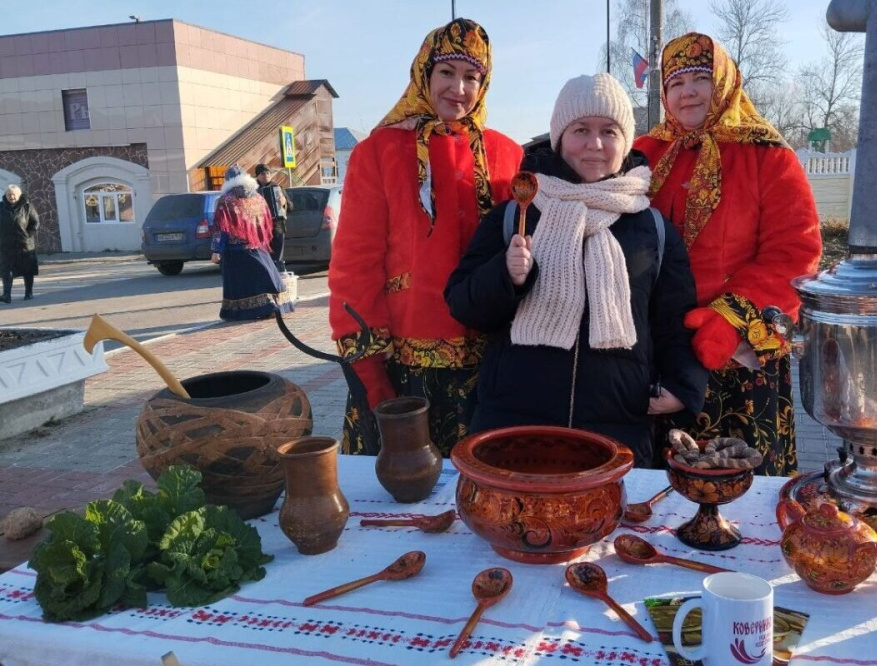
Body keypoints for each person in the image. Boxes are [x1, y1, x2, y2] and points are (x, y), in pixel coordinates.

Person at [445, 73, 708, 468]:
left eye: (609, 131)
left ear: (626, 141)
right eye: (580, 129)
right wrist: (508, 277)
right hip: (513, 432)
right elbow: (463, 305)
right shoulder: (513, 215)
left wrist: (683, 386)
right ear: (559, 137)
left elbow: (675, 321)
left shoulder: (652, 227)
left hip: (617, 432)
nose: (595, 144)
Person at [327, 18, 523, 457]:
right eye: (447, 73)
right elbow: (356, 261)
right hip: (404, 364)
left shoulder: (507, 155)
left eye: (472, 77)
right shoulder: (378, 152)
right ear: (424, 74)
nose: (459, 88)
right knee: (401, 497)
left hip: (489, 363)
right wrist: (370, 371)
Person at [634, 33, 822, 475]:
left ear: (724, 80)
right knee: (660, 485)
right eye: (677, 82)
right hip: (660, 350)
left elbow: (795, 251)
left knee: (737, 485)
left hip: (737, 355)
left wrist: (731, 318)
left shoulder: (767, 155)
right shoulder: (643, 153)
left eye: (701, 78)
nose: (688, 92)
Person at [211, 166, 294, 321]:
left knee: (240, 284)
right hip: (258, 246)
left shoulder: (226, 200)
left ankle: (243, 312)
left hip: (234, 250)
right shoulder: (257, 197)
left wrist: (217, 250)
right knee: (264, 277)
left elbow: (221, 227)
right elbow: (267, 220)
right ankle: (274, 305)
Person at [0, 184, 40, 303]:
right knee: (6, 270)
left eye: (13, 195)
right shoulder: (1, 207)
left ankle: (29, 293)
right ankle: (7, 295)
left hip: (24, 245)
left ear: (18, 195)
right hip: (6, 245)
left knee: (27, 269)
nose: (11, 197)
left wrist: (28, 235)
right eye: (9, 195)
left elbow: (35, 223)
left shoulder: (27, 207)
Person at [254, 164, 288, 272]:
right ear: (257, 176)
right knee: (265, 253)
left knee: (278, 254)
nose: (266, 176)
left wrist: (284, 202)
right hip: (261, 226)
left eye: (268, 173)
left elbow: (290, 206)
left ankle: (279, 271)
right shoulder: (253, 189)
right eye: (263, 174)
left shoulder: (277, 187)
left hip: (277, 225)